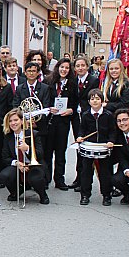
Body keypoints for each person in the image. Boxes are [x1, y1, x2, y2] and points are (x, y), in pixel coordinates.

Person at [0, 109, 49, 205]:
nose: (13, 123)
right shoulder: (8, 136)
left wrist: (27, 149)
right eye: (10, 121)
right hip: (19, 164)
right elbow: (5, 157)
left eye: (15, 120)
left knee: (35, 178)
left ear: (21, 121)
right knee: (4, 176)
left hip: (33, 164)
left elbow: (40, 154)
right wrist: (17, 163)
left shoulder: (33, 134)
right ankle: (17, 191)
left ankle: (43, 194)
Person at [75, 89, 115, 206]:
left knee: (105, 172)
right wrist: (80, 137)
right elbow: (82, 129)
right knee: (86, 172)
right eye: (92, 99)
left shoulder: (108, 115)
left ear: (102, 101)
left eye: (97, 98)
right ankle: (85, 195)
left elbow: (112, 131)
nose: (95, 101)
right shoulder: (85, 114)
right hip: (89, 145)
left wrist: (111, 141)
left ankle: (107, 195)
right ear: (89, 101)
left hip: (103, 146)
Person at [44, 58, 77, 190]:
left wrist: (71, 110)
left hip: (63, 121)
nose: (64, 70)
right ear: (57, 68)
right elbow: (44, 99)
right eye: (62, 67)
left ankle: (59, 179)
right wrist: (48, 108)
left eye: (67, 68)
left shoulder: (72, 84)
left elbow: (75, 102)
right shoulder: (48, 81)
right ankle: (46, 179)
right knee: (47, 152)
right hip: (50, 121)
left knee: (60, 151)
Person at [69, 56, 100, 191]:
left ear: (87, 66)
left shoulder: (93, 80)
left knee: (88, 148)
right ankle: (78, 178)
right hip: (76, 117)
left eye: (83, 65)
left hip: (89, 118)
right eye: (77, 66)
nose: (80, 68)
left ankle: (85, 180)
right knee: (79, 146)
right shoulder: (73, 81)